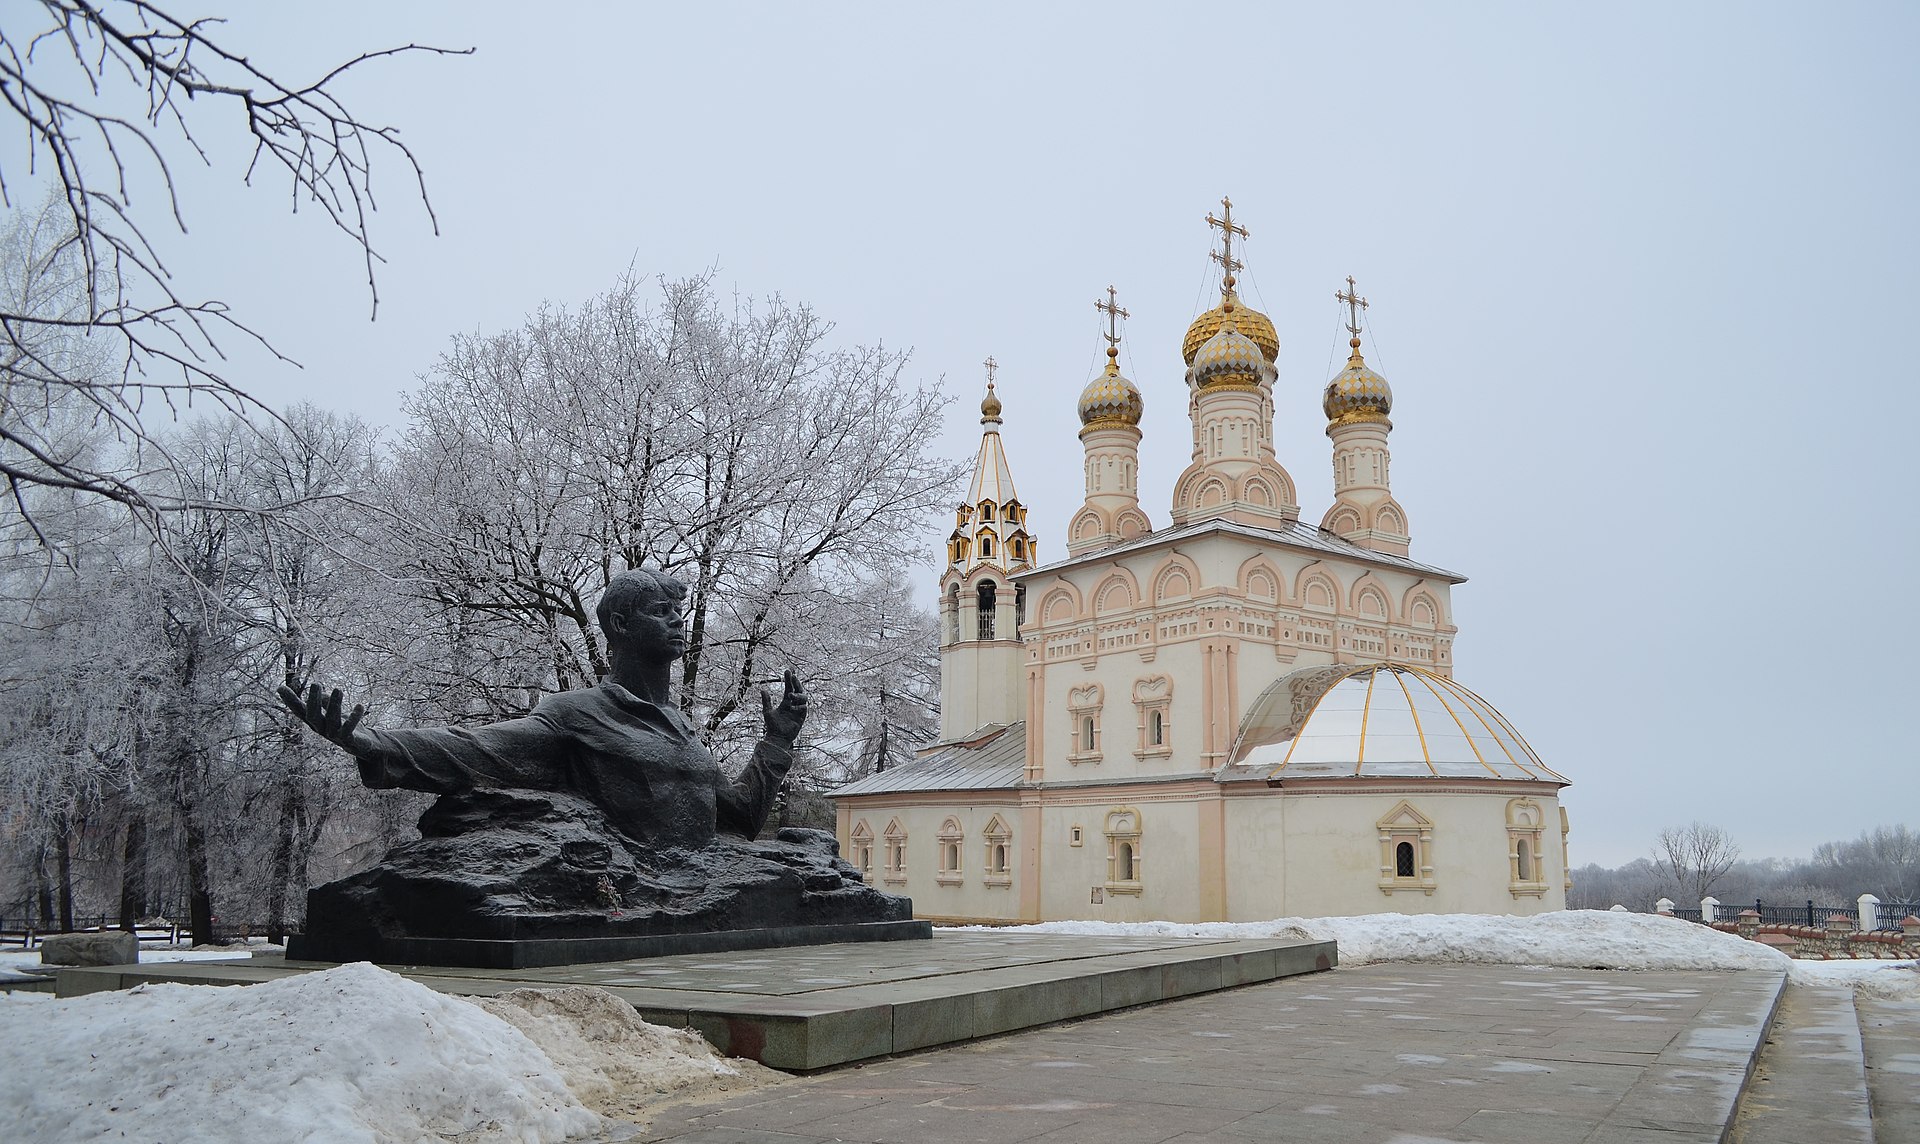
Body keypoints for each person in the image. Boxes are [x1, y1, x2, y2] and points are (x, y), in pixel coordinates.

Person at [278, 568, 807, 850]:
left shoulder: (684, 730)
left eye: (679, 612)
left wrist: (777, 741)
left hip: (697, 891)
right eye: (661, 612)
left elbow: (739, 819)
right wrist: (372, 743)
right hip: (631, 896)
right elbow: (478, 747)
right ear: (620, 626)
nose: (677, 622)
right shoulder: (577, 713)